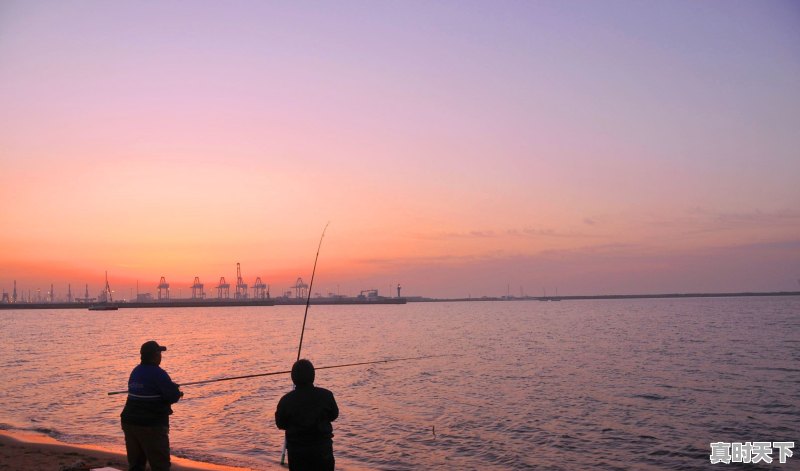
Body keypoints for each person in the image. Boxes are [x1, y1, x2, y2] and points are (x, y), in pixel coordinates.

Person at [120, 340, 183, 471]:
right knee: (160, 465)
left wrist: (170, 388)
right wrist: (177, 391)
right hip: (150, 424)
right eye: (159, 352)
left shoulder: (136, 371)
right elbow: (172, 396)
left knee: (136, 465)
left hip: (129, 422)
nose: (161, 355)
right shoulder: (158, 373)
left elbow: (150, 390)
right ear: (155, 355)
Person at [276, 359, 339, 471]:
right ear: (313, 376)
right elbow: (334, 415)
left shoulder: (286, 400)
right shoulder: (326, 395)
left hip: (297, 454)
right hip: (323, 452)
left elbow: (280, 424)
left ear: (293, 378)